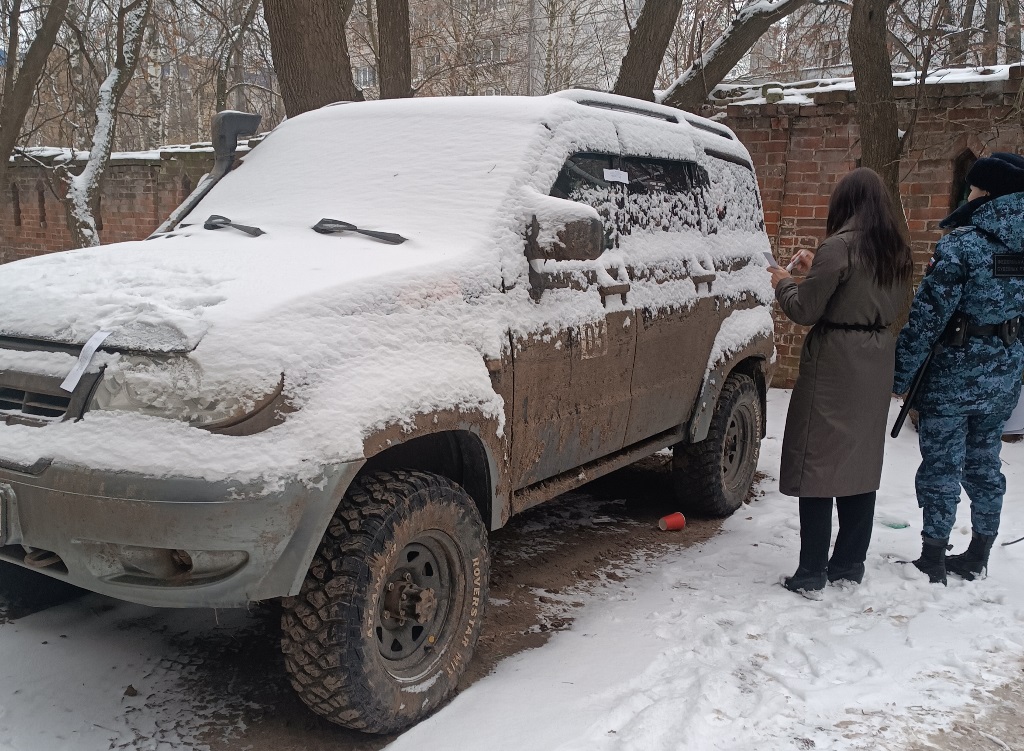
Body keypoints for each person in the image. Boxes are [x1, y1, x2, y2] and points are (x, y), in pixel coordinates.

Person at [768, 168, 912, 598]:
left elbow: (805, 309)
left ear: (844, 203)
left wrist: (784, 283)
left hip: (835, 363)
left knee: (818, 461)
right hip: (875, 358)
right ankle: (849, 564)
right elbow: (859, 290)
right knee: (860, 463)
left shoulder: (839, 246)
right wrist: (818, 271)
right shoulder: (897, 251)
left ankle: (811, 570)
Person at [894, 152, 1024, 585]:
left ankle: (933, 556)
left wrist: (900, 375)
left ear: (986, 193)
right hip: (1003, 372)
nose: (967, 194)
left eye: (972, 187)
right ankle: (979, 553)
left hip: (953, 375)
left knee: (942, 465)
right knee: (985, 462)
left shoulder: (963, 245)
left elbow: (927, 319)